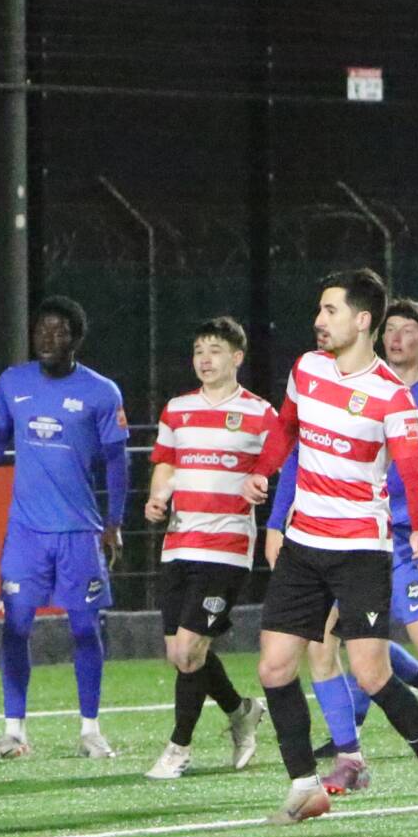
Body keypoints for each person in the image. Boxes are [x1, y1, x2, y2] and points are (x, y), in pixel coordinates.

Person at [241, 268, 418, 827]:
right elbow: (286, 429)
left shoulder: (391, 396)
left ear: (362, 320)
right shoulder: (306, 368)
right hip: (303, 545)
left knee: (370, 673)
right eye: (320, 311)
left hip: (360, 550)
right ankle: (305, 787)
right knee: (274, 667)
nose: (319, 321)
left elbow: (413, 472)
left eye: (331, 311)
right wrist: (262, 471)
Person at [265, 297, 418, 793]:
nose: (397, 337)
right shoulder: (336, 383)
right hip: (338, 541)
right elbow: (298, 453)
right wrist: (276, 519)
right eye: (391, 327)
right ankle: (350, 757)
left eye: (408, 330)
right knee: (323, 648)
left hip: (396, 545)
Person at [0, 296, 129, 760]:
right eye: (41, 330)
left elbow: (117, 461)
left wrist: (114, 522)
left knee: (85, 628)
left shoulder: (102, 392)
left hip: (79, 531)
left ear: (76, 339)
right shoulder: (12, 383)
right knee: (15, 626)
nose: (47, 338)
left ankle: (91, 731)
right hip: (26, 532)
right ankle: (14, 732)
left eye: (59, 331)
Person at [140, 317, 270, 780]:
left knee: (190, 651)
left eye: (215, 350)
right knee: (181, 654)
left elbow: (280, 462)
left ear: (237, 357)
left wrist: (262, 484)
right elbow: (165, 464)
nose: (205, 359)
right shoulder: (177, 410)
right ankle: (241, 711)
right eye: (199, 351)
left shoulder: (260, 413)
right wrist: (157, 497)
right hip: (179, 543)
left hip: (227, 547)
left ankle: (179, 748)